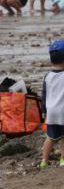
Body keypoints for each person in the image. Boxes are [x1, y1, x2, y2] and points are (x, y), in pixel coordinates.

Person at [40, 40, 64, 168]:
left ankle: (44, 161)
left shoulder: (47, 76)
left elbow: (44, 95)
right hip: (63, 111)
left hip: (51, 112)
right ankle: (62, 160)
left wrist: (44, 112)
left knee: (50, 137)